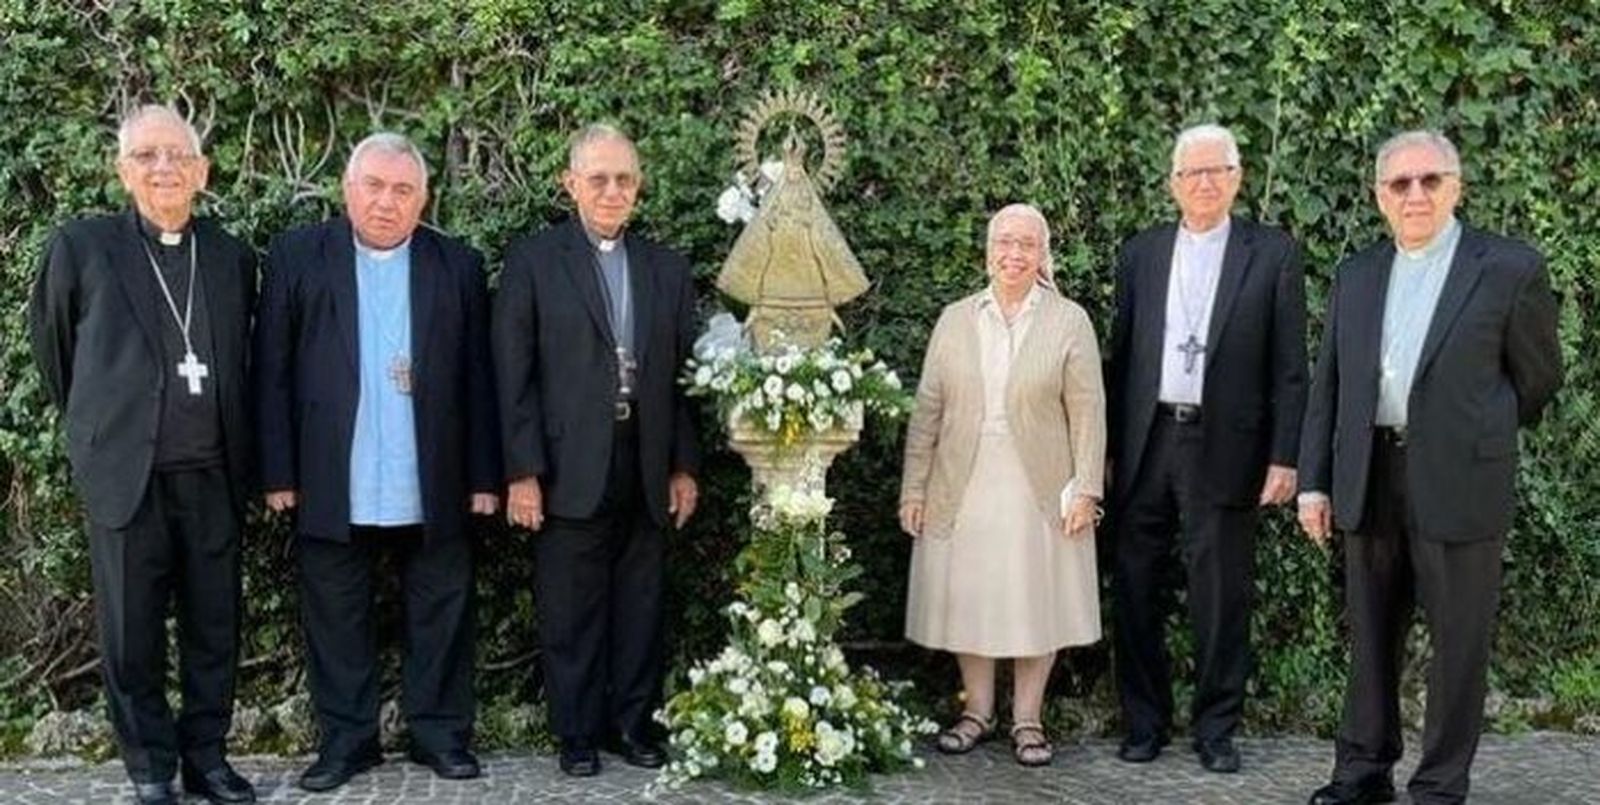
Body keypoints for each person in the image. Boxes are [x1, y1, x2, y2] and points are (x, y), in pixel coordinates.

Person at [1298, 130, 1562, 805]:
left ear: (1456, 186)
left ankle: (1440, 787)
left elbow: (1537, 377)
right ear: (1379, 197)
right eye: (1399, 183)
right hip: (1370, 475)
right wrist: (1315, 481)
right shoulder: (1356, 274)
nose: (1415, 193)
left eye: (1430, 180)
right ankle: (1361, 774)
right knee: (1371, 636)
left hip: (1462, 481)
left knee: (1459, 643)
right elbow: (1329, 383)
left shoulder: (1507, 268)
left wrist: (1477, 432)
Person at [254, 132, 500, 792]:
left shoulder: (459, 265)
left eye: (402, 190)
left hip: (435, 477)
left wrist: (483, 476)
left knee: (441, 610)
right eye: (374, 186)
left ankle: (440, 734)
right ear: (347, 188)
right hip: (334, 476)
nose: (386, 202)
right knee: (335, 617)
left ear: (424, 198)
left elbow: (481, 375)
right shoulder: (298, 257)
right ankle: (347, 740)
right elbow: (270, 370)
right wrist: (277, 471)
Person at [28, 104, 257, 805]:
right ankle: (150, 767)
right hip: (127, 476)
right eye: (148, 155)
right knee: (129, 633)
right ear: (123, 170)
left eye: (179, 155)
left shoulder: (229, 256)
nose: (165, 168)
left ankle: (207, 759)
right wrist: (104, 429)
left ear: (203, 172)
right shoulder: (82, 247)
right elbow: (55, 352)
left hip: (213, 473)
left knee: (215, 625)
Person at [493, 123, 701, 777]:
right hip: (565, 465)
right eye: (599, 178)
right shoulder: (533, 260)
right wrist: (522, 471)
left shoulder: (666, 267)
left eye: (624, 179)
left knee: (640, 605)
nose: (612, 190)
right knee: (571, 609)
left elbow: (685, 379)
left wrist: (684, 463)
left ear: (638, 186)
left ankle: (633, 727)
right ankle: (576, 733)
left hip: (643, 458)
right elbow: (512, 373)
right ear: (571, 184)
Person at [1105, 123, 1307, 773]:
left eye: (1217, 170)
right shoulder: (1141, 254)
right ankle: (1144, 720)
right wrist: (1107, 449)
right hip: (1147, 440)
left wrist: (1285, 455)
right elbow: (1121, 356)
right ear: (1173, 184)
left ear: (1237, 177)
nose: (1205, 182)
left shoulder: (1272, 254)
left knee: (1222, 593)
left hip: (1228, 446)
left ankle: (1217, 727)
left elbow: (1290, 368)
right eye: (1192, 173)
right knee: (1136, 584)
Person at [899, 203, 1105, 768]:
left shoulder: (1069, 320)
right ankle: (977, 711)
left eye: (1027, 245)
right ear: (988, 251)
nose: (1014, 255)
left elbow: (1089, 410)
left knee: (1038, 602)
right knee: (971, 600)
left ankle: (1029, 719)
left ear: (1043, 254)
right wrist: (913, 489)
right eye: (1004, 243)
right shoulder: (955, 319)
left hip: (1040, 485)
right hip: (962, 479)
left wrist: (1087, 486)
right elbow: (927, 411)